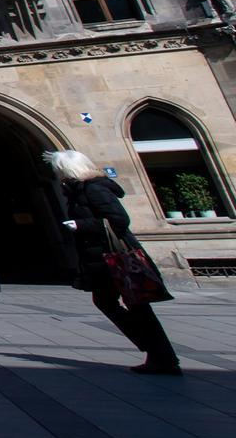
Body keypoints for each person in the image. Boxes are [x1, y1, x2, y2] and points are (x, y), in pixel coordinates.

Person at [52, 150, 180, 375]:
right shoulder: (79, 190)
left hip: (115, 259)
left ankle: (160, 354)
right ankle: (159, 353)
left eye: (58, 169)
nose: (57, 173)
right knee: (119, 304)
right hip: (102, 259)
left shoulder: (94, 189)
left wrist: (81, 225)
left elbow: (119, 220)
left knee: (129, 306)